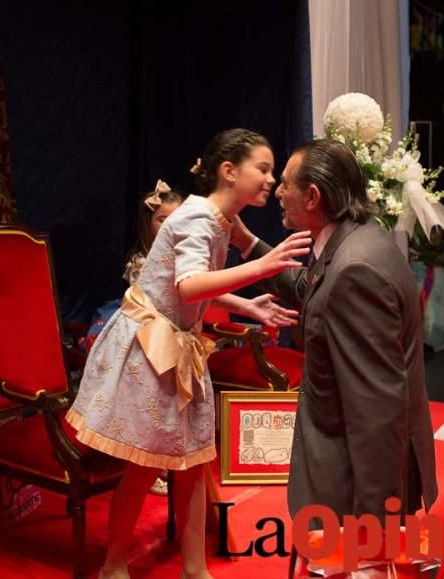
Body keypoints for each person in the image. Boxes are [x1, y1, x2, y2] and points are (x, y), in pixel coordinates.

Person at [66, 129, 311, 579]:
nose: (270, 180)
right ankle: (114, 565)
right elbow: (189, 286)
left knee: (195, 463)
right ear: (228, 171)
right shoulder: (199, 218)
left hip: (177, 344)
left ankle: (195, 569)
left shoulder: (214, 219)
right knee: (144, 465)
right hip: (151, 349)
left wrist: (244, 304)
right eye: (263, 168)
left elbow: (193, 291)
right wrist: (261, 266)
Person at [231, 138, 438, 529]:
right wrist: (246, 243)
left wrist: (374, 528)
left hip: (349, 491)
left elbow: (377, 409)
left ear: (312, 196)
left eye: (286, 183)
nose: (277, 191)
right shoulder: (358, 239)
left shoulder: (355, 269)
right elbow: (309, 288)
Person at [84, 181, 184, 498]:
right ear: (148, 224)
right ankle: (143, 466)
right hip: (147, 337)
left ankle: (163, 461)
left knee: (168, 407)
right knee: (145, 407)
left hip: (172, 337)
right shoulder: (143, 261)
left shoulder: (183, 256)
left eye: (176, 220)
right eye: (162, 220)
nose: (170, 226)